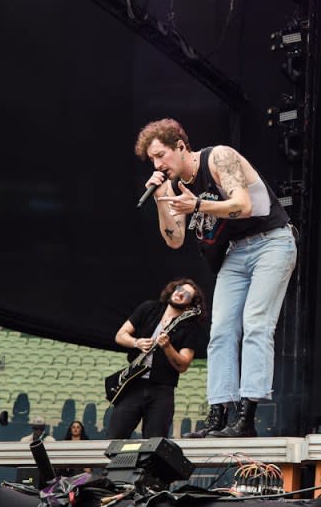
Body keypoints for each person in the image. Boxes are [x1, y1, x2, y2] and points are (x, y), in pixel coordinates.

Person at [135, 119, 297, 438]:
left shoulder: (219, 157)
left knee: (256, 323)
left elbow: (244, 204)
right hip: (235, 252)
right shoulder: (174, 185)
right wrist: (159, 199)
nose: (157, 164)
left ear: (181, 146)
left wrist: (197, 203)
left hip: (271, 242)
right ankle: (218, 416)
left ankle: (246, 418)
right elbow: (174, 238)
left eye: (161, 155)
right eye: (152, 160)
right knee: (220, 331)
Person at [107, 278, 205, 439]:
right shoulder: (149, 308)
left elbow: (183, 365)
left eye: (187, 294)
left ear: (190, 305)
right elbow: (120, 335)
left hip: (163, 390)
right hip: (134, 383)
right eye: (180, 288)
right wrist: (136, 342)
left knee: (155, 443)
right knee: (114, 437)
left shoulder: (189, 327)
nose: (181, 293)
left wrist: (168, 347)